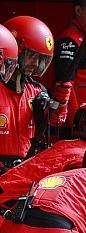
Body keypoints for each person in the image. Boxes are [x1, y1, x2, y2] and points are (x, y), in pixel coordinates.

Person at [48, 0, 86, 128]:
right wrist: (76, 122)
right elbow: (65, 86)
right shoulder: (68, 41)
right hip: (78, 124)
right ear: (78, 10)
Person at [0, 19, 52, 167]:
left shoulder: (37, 91)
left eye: (40, 58)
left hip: (25, 170)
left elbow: (57, 121)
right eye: (31, 56)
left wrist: (61, 101)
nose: (35, 64)